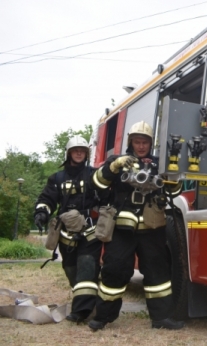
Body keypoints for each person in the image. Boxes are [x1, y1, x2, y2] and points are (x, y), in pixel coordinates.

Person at [88, 121, 184, 331]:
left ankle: (161, 318)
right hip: (122, 227)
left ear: (151, 143)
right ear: (131, 142)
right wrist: (113, 167)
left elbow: (174, 193)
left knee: (158, 272)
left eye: (145, 142)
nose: (141, 146)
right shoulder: (117, 161)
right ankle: (103, 317)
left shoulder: (160, 163)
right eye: (137, 142)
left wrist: (173, 177)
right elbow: (97, 184)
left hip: (152, 227)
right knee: (114, 269)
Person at [33, 135, 102, 323]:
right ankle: (88, 300)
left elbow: (105, 195)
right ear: (69, 153)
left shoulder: (94, 175)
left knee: (87, 266)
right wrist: (41, 213)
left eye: (82, 150)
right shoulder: (57, 178)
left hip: (90, 230)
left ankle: (81, 312)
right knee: (71, 269)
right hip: (65, 233)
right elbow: (47, 199)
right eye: (75, 150)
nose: (79, 153)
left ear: (86, 154)